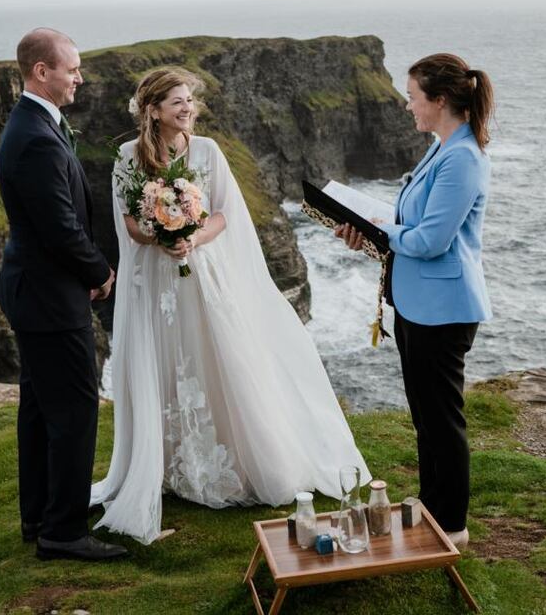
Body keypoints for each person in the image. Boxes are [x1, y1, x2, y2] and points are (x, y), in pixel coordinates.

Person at [91, 66, 369, 544]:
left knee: (212, 357)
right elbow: (129, 225)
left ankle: (228, 460)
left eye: (190, 101)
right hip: (157, 279)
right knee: (165, 360)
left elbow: (224, 214)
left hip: (201, 272)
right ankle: (168, 465)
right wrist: (162, 236)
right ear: (153, 111)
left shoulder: (208, 151)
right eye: (177, 102)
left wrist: (190, 238)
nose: (188, 109)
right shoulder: (127, 158)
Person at [336, 53, 494, 550]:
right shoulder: (441, 146)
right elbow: (411, 226)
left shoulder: (464, 158)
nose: (407, 106)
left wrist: (379, 228)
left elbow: (430, 241)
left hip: (443, 309)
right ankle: (432, 507)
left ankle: (452, 526)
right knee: (425, 415)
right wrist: (372, 231)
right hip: (417, 301)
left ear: (439, 100)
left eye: (412, 97)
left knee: (442, 419)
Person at [0, 28, 127, 562]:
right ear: (41, 71)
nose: (80, 77)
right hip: (51, 299)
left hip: (36, 292)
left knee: (40, 409)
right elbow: (60, 227)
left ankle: (40, 515)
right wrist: (100, 271)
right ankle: (64, 532)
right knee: (73, 410)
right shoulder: (33, 138)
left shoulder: (34, 125)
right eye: (72, 68)